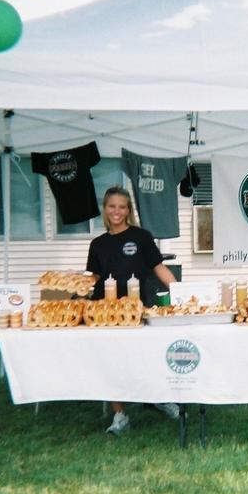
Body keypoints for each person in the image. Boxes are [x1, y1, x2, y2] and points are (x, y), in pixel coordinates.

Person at [86, 186, 181, 434]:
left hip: (138, 309)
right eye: (112, 206)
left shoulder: (141, 237)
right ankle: (120, 414)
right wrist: (76, 285)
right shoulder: (97, 243)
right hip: (106, 312)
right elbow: (94, 277)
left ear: (128, 210)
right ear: (104, 209)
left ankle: (159, 398)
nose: (117, 211)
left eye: (122, 206)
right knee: (111, 361)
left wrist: (182, 292)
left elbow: (159, 268)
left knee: (149, 355)